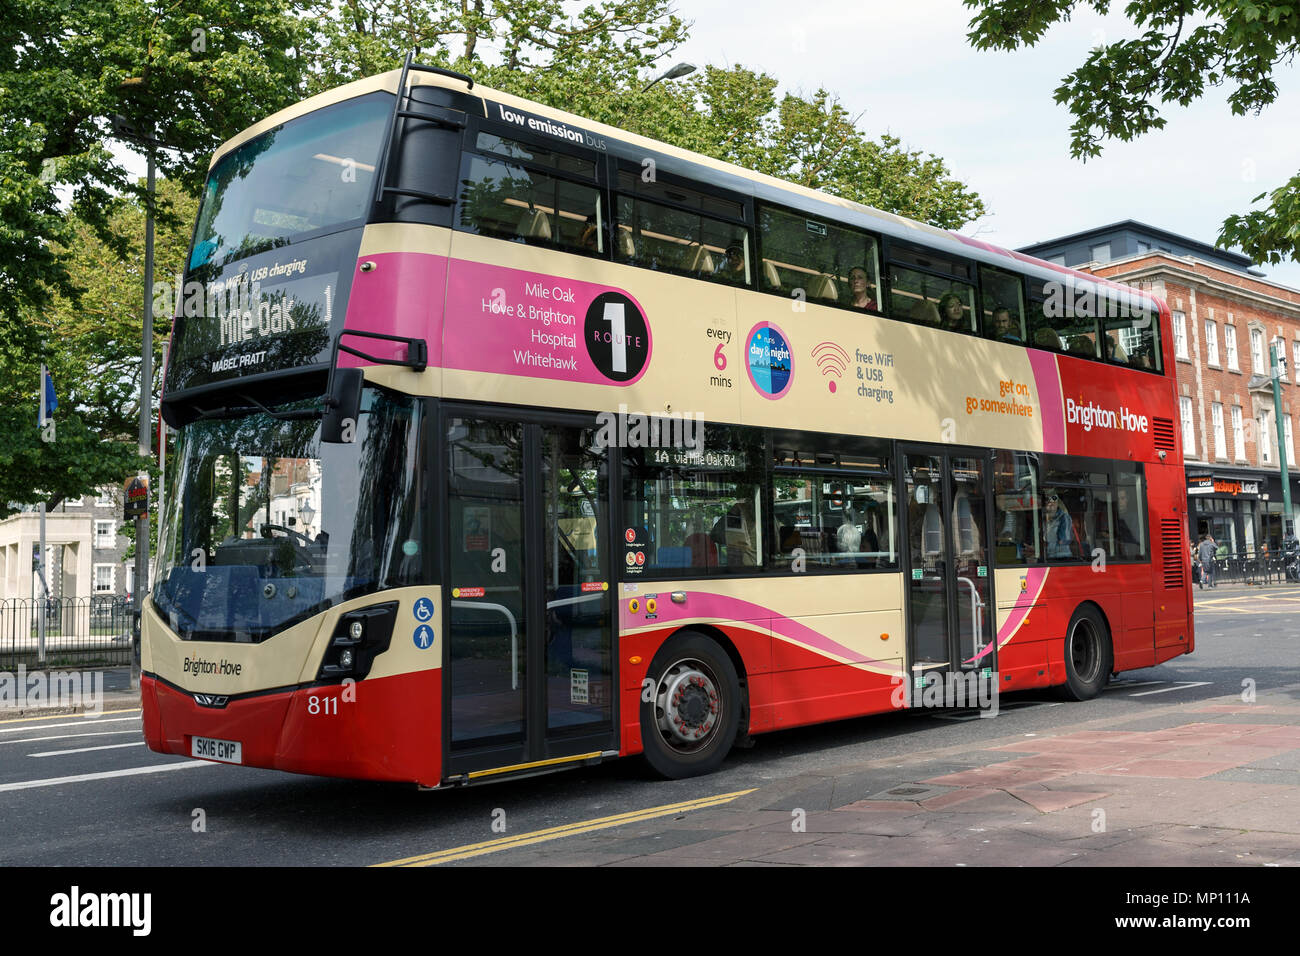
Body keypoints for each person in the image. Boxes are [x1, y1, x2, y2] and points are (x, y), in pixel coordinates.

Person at [1043, 489, 1074, 559]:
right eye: (1048, 501)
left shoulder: (1064, 517)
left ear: (1057, 503)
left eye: (1054, 500)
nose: (1051, 503)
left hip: (1061, 558)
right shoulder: (1042, 519)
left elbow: (1064, 540)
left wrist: (1046, 544)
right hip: (1047, 557)